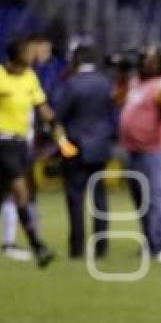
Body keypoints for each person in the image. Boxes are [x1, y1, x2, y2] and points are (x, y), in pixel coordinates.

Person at [0, 37, 70, 267]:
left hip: (22, 142)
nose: (35, 55)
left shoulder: (30, 77)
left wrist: (58, 130)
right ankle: (38, 247)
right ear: (18, 54)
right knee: (21, 191)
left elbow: (42, 107)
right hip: (1, 140)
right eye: (30, 51)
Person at [119, 44, 161, 263]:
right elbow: (118, 100)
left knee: (158, 198)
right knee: (141, 200)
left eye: (150, 59)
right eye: (144, 58)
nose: (144, 62)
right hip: (132, 149)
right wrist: (121, 76)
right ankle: (151, 243)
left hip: (153, 150)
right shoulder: (136, 83)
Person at [54, 43, 117, 259]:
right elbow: (112, 113)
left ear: (76, 60)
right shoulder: (105, 83)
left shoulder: (72, 84)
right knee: (100, 199)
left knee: (75, 198)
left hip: (76, 147)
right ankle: (101, 247)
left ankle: (77, 248)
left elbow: (58, 115)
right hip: (100, 147)